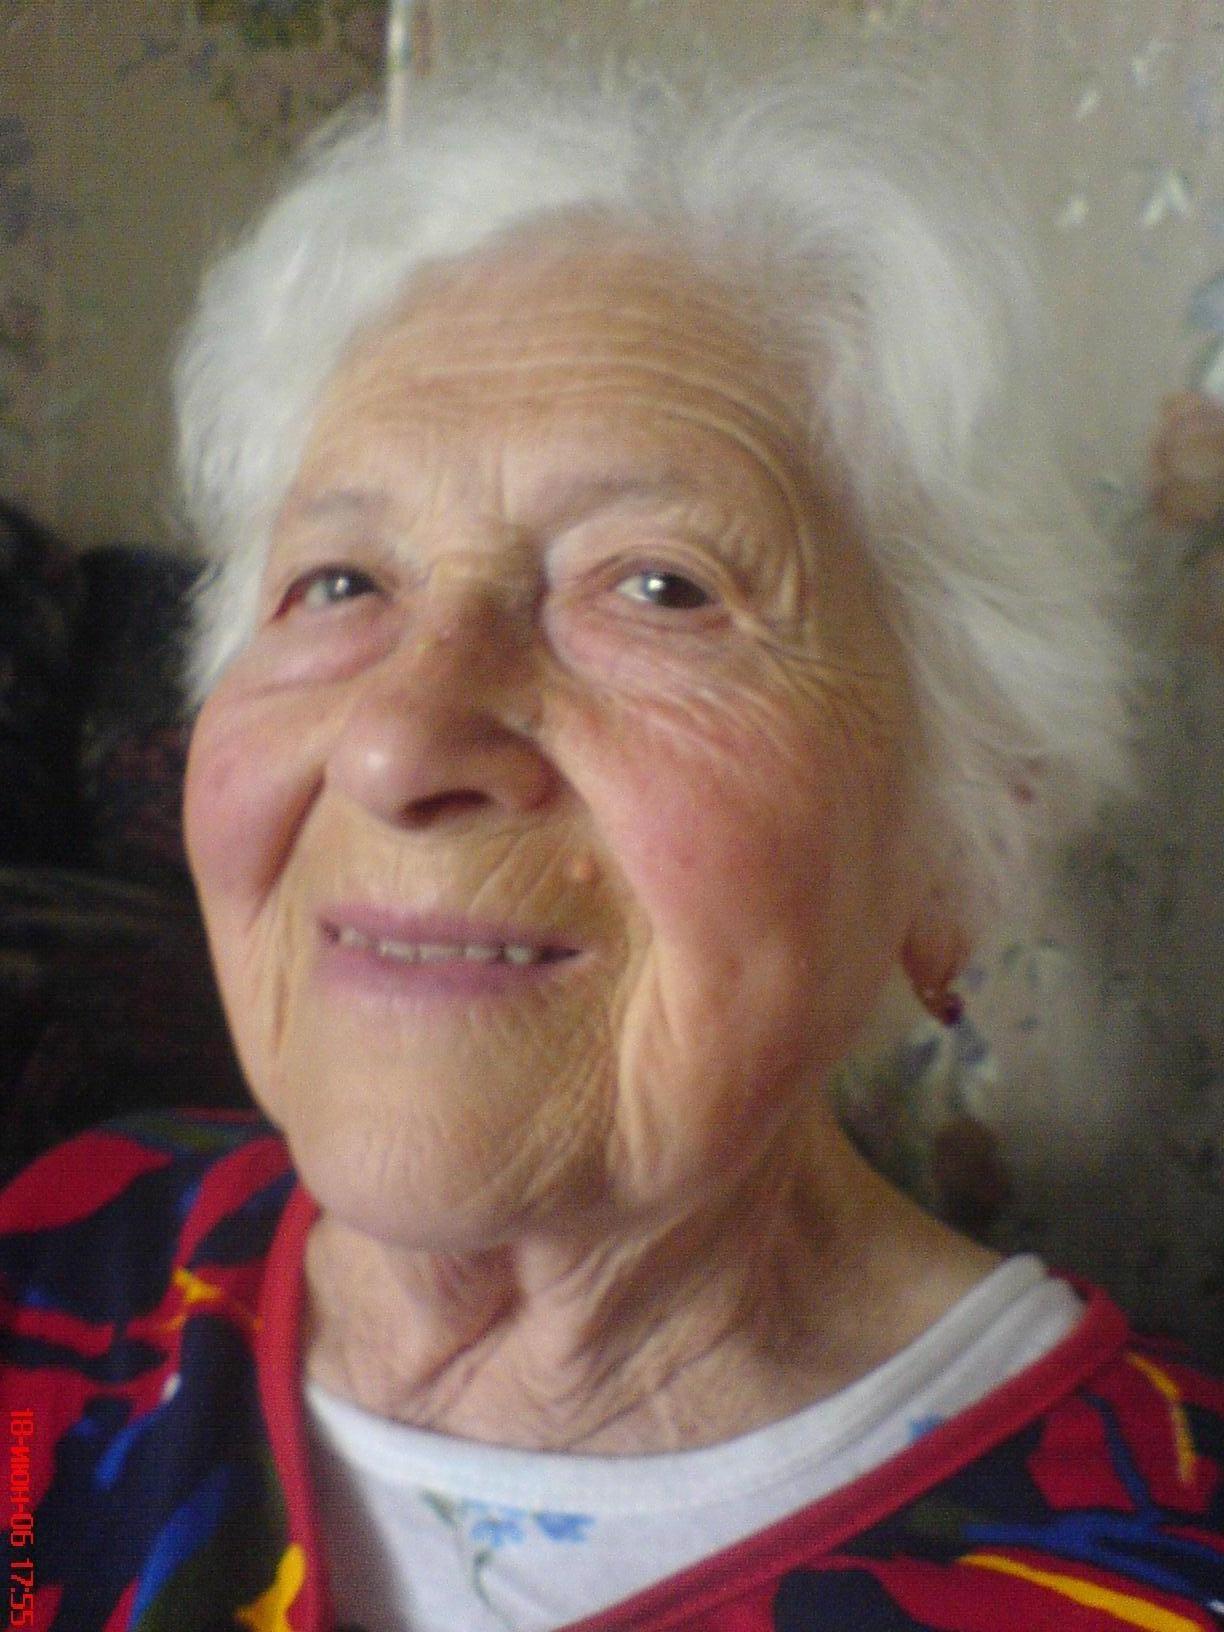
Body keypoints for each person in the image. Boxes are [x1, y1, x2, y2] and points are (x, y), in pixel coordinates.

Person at [2, 54, 1222, 1632]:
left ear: (960, 841)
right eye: (341, 582)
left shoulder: (1151, 1569)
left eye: (660, 588)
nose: (397, 741)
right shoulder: (68, 1265)